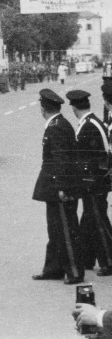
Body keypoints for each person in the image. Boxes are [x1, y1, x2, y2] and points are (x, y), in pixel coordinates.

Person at [32, 88, 83, 284]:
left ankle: (74, 272)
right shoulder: (56, 124)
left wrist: (62, 187)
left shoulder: (56, 127)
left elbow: (62, 160)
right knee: (55, 229)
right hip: (54, 187)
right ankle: (54, 268)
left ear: (43, 109)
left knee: (65, 230)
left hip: (60, 188)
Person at [67, 89, 112, 275]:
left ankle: (109, 262)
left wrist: (87, 182)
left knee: (99, 223)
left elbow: (96, 158)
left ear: (74, 108)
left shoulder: (89, 125)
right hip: (95, 181)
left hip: (95, 183)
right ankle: (87, 258)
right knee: (89, 221)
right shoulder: (90, 122)